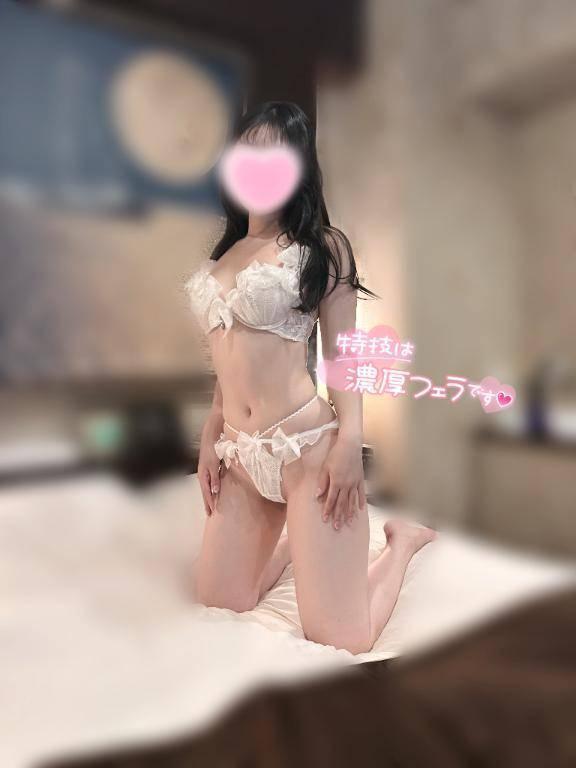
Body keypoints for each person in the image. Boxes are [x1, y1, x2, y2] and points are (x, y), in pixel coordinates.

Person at [186, 101, 436, 654]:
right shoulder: (224, 255)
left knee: (344, 640)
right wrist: (210, 433)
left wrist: (350, 439)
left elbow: (345, 353)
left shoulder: (322, 248)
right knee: (220, 603)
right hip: (240, 455)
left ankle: (401, 542)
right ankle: (297, 544)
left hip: (306, 451)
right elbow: (229, 361)